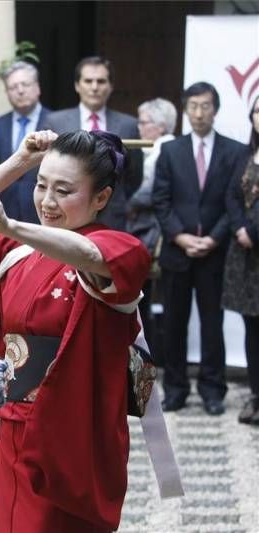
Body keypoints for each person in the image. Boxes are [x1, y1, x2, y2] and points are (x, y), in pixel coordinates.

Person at [0, 130, 150, 531]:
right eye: (40, 186)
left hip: (72, 432)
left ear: (102, 198)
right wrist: (21, 161)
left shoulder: (120, 249)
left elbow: (89, 254)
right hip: (14, 422)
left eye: (64, 191)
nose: (47, 201)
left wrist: (10, 226)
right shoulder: (20, 252)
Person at [153, 82, 248, 415]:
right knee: (175, 323)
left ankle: (212, 390)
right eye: (192, 105)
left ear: (215, 109)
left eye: (205, 106)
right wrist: (180, 237)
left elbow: (233, 204)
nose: (199, 112)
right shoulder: (170, 151)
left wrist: (214, 238)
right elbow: (160, 201)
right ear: (185, 109)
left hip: (215, 253)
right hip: (177, 253)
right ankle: (175, 388)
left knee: (212, 324)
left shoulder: (234, 152)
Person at [44, 56, 141, 230]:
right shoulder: (55, 122)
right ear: (77, 85)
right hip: (65, 213)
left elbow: (134, 175)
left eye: (101, 81)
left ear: (110, 86)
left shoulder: (129, 125)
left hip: (113, 214)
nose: (94, 87)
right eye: (88, 81)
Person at [128, 97, 177, 352]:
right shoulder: (150, 149)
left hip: (152, 231)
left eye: (144, 122)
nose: (139, 127)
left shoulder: (164, 150)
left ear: (160, 126)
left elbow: (148, 191)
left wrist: (122, 200)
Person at [222, 94, 259, 425]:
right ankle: (255, 395)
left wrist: (254, 230)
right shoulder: (244, 155)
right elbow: (231, 196)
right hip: (245, 259)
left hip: (255, 242)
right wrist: (240, 229)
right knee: (251, 328)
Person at [0, 61, 52, 222]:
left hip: (44, 212)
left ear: (37, 88)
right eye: (13, 87)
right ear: (7, 93)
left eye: (25, 84)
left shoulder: (56, 122)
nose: (20, 91)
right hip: (4, 214)